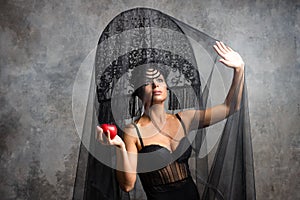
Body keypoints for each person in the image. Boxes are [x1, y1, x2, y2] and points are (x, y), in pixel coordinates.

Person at [95, 41, 245, 200]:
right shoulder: (134, 132)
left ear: (167, 87)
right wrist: (120, 147)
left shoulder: (185, 119)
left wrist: (239, 69)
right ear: (139, 92)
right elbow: (127, 185)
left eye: (159, 80)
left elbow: (230, 107)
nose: (155, 85)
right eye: (147, 82)